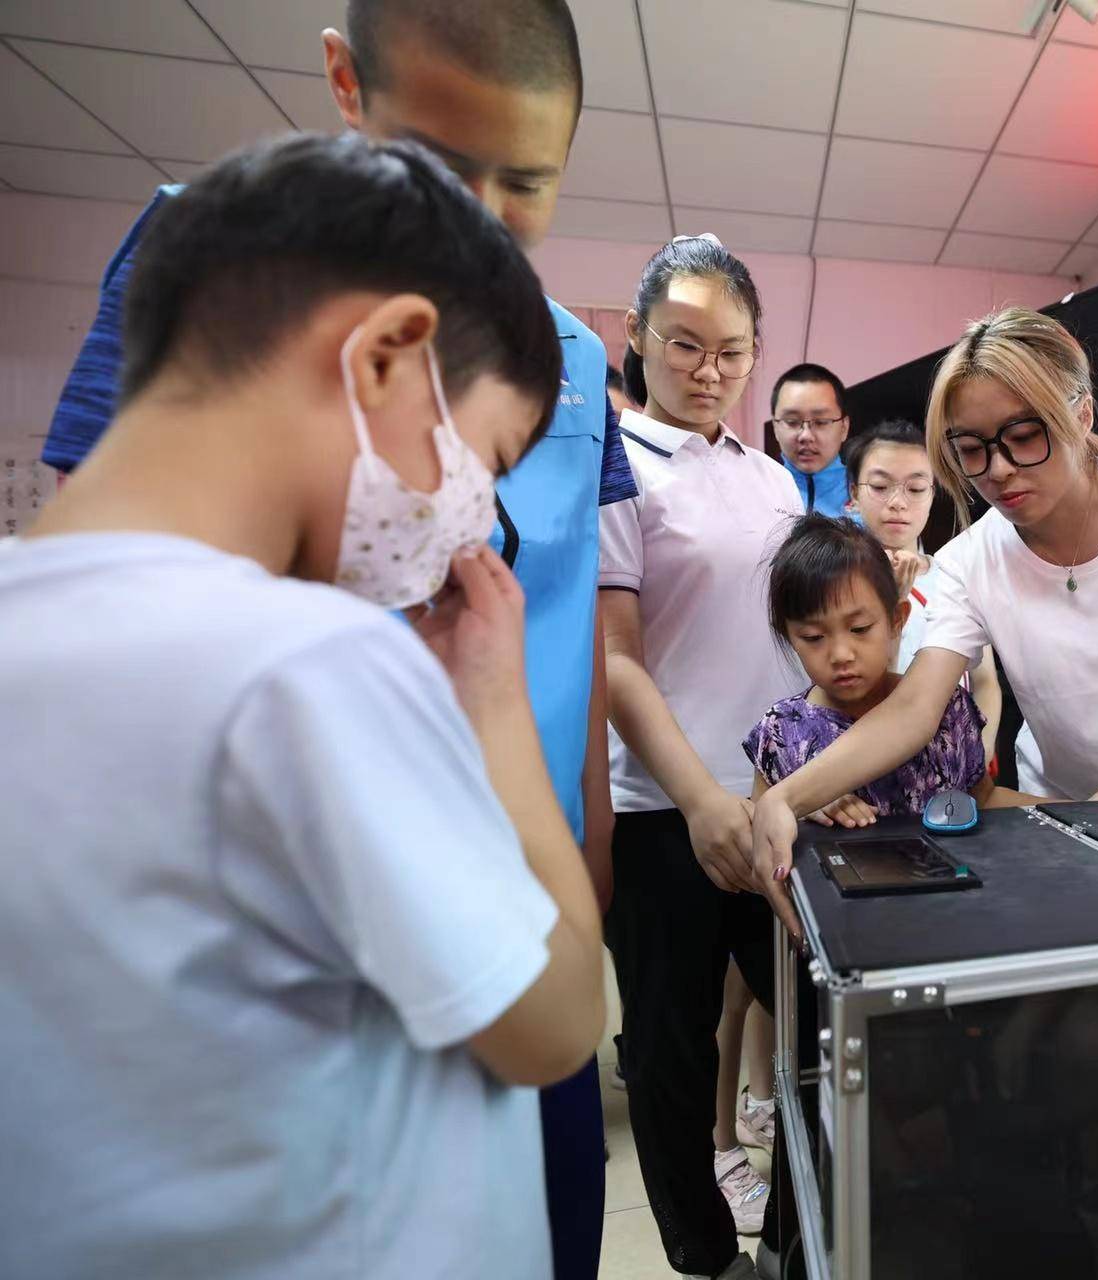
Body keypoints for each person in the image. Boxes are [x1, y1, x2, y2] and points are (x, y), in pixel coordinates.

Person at [35, 4, 630, 1273]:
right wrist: (494, 699)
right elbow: (560, 1020)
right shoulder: (318, 670)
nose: (473, 521)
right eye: (483, 467)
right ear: (387, 356)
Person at [749, 307, 1098, 934]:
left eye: (1023, 436)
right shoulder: (971, 561)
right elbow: (915, 709)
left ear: (1081, 414)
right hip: (1065, 813)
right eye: (971, 449)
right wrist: (783, 798)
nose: (998, 469)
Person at [598, 234, 805, 1280]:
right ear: (636, 338)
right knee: (672, 1054)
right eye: (684, 344)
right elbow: (617, 662)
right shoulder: (614, 463)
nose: (709, 368)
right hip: (661, 811)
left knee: (811, 1031)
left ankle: (794, 1242)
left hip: (780, 805)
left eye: (732, 350)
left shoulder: (773, 479)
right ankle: (705, 1254)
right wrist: (697, 799)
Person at [746, 514, 1098, 819]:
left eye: (859, 628)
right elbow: (761, 830)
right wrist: (805, 808)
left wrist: (1085, 812)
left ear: (897, 620)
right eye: (814, 638)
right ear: (788, 635)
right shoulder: (781, 732)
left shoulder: (946, 711)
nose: (840, 653)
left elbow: (985, 799)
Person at [843, 418, 1003, 758]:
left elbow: (984, 679)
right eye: (880, 486)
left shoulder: (955, 574)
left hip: (952, 764)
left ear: (933, 493)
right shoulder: (837, 583)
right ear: (854, 493)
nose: (898, 502)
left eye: (915, 489)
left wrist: (980, 751)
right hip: (864, 760)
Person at [768, 362, 851, 514]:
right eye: (792, 422)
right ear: (775, 427)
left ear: (844, 427)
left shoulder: (870, 495)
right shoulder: (756, 494)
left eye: (821, 422)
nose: (806, 436)